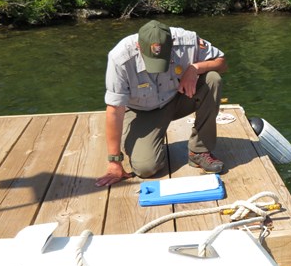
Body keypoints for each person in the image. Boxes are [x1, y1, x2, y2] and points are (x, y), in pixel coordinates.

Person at [95, 20, 228, 187]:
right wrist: (114, 162)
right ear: (138, 46)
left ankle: (199, 151)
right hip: (142, 111)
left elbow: (222, 62)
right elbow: (114, 110)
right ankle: (147, 146)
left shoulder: (187, 40)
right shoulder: (119, 58)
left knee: (212, 79)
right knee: (146, 168)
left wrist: (195, 68)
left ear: (172, 44)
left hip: (178, 98)